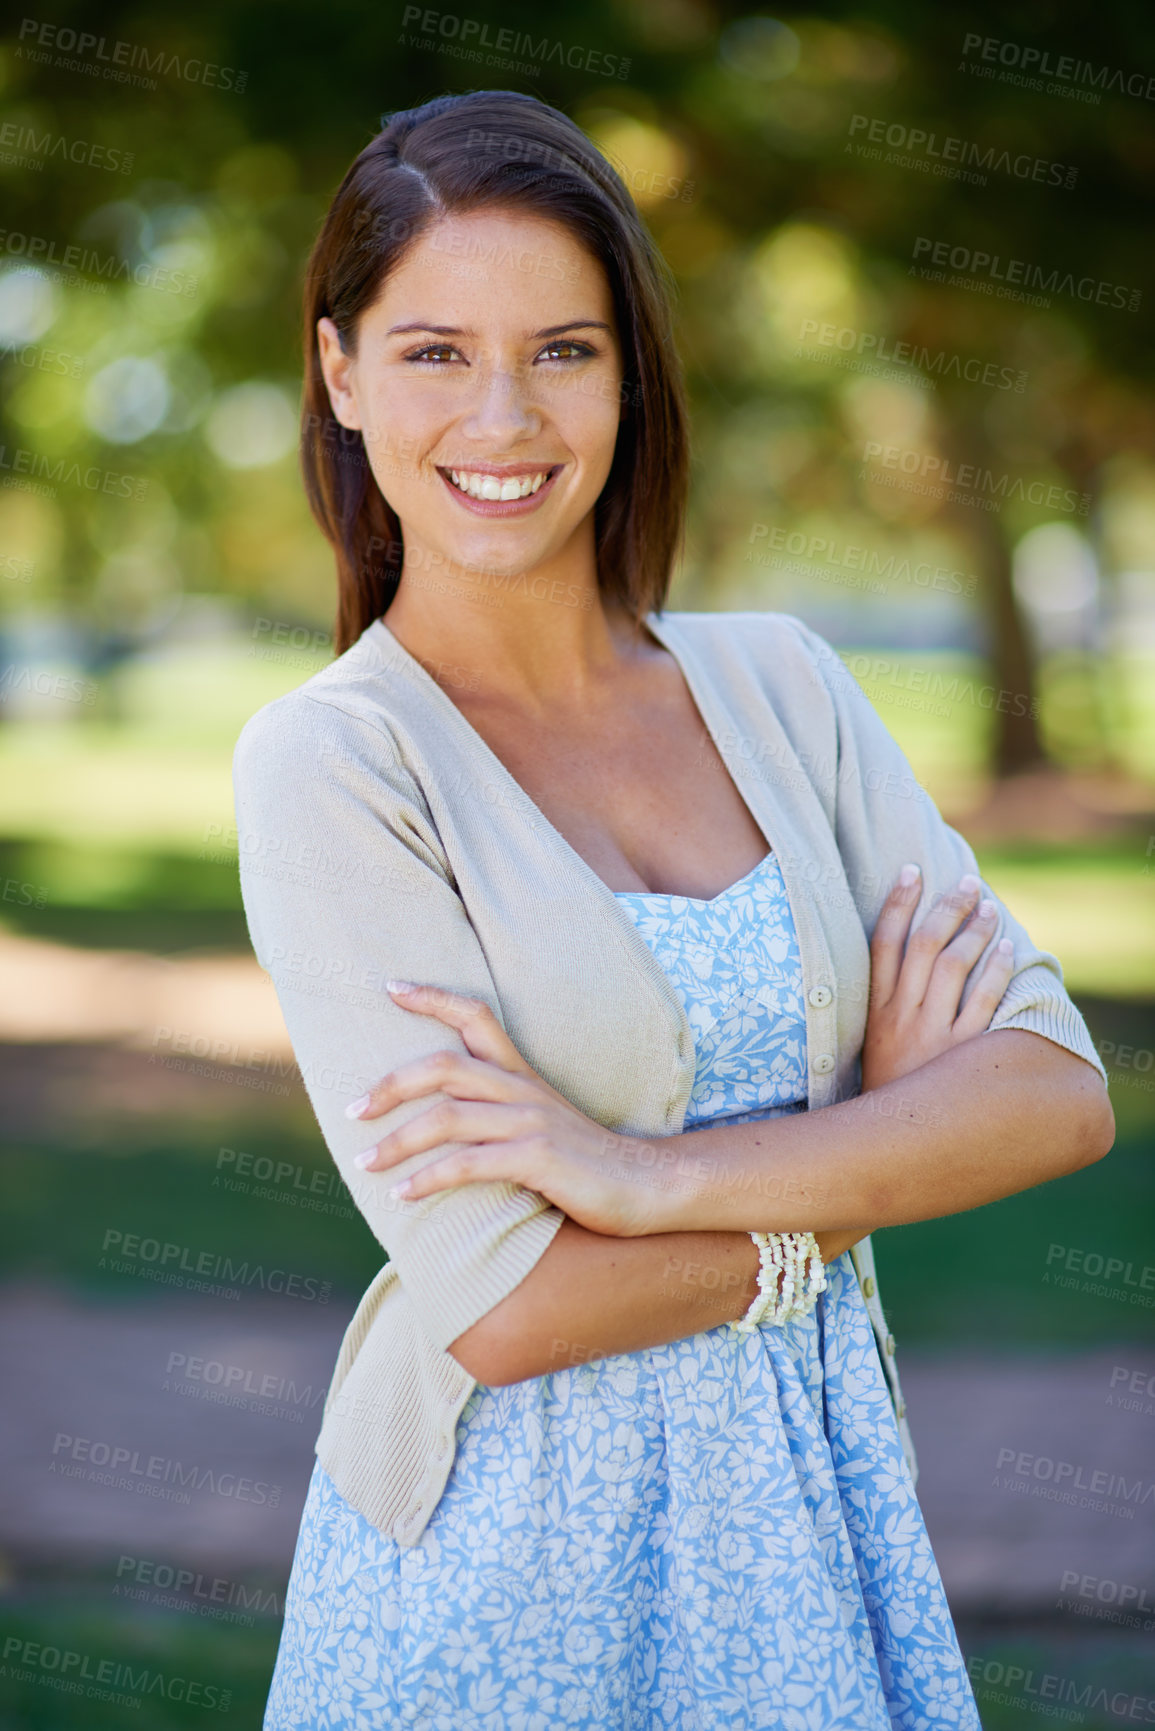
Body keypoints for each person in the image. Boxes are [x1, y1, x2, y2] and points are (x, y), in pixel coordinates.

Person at [233, 89, 1114, 1731]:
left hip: (807, 1514)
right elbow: (506, 1307)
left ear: (631, 375)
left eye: (563, 350)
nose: (503, 416)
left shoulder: (784, 682)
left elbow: (1055, 1097)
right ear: (341, 373)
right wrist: (874, 1146)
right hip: (499, 1567)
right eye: (434, 353)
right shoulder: (333, 769)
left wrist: (638, 1183)